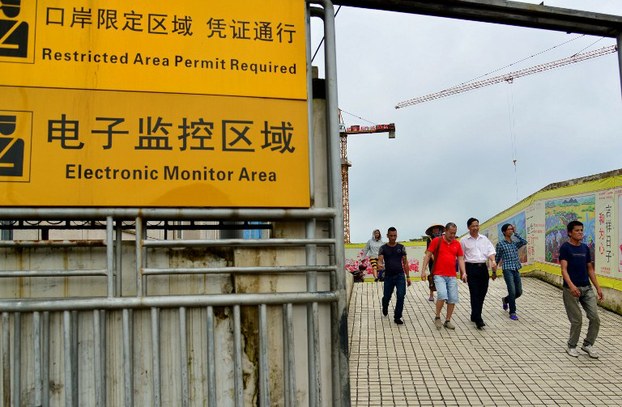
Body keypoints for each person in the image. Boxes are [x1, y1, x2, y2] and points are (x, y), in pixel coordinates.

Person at [560, 220, 603, 358]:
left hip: (587, 288)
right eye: (577, 230)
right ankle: (571, 346)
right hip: (570, 289)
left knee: (595, 318)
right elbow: (564, 270)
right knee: (577, 319)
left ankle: (587, 344)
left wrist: (598, 287)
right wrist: (571, 286)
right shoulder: (565, 248)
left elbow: (590, 269)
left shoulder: (585, 248)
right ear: (570, 233)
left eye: (581, 230)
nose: (580, 233)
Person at [421, 222, 466, 330]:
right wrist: (423, 270)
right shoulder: (437, 241)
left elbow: (460, 258)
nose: (452, 235)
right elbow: (428, 255)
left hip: (452, 276)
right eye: (451, 233)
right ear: (445, 230)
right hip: (439, 274)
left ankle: (448, 320)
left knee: (453, 298)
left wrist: (463, 272)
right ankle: (437, 317)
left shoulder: (457, 244)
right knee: (442, 294)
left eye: (454, 233)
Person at [461, 218, 497, 330]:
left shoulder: (484, 239)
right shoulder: (464, 240)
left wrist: (493, 260)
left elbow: (490, 251)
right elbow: (461, 257)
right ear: (468, 227)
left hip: (483, 268)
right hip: (471, 268)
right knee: (474, 292)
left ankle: (474, 314)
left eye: (477, 225)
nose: (476, 228)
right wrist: (463, 273)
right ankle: (478, 318)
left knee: (482, 292)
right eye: (473, 226)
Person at [378, 227, 411, 324]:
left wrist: (408, 277)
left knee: (401, 295)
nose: (393, 238)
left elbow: (405, 263)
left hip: (400, 276)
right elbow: (380, 260)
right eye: (391, 236)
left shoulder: (401, 247)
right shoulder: (383, 248)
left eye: (395, 236)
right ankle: (385, 305)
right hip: (388, 276)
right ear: (387, 236)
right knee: (387, 296)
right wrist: (380, 265)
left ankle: (397, 317)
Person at [495, 224, 528, 320]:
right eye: (509, 229)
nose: (511, 230)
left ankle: (505, 299)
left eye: (511, 229)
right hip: (507, 269)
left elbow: (524, 242)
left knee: (519, 292)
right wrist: (494, 272)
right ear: (504, 232)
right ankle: (512, 312)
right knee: (512, 291)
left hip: (516, 269)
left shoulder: (514, 243)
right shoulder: (501, 244)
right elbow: (497, 258)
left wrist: (516, 233)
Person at [424, 224, 445, 301]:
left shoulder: (443, 238)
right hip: (432, 261)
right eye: (434, 229)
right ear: (432, 231)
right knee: (432, 277)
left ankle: (442, 294)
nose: (436, 230)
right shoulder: (429, 239)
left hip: (442, 261)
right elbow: (429, 251)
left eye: (437, 229)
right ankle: (431, 294)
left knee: (442, 277)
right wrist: (434, 259)